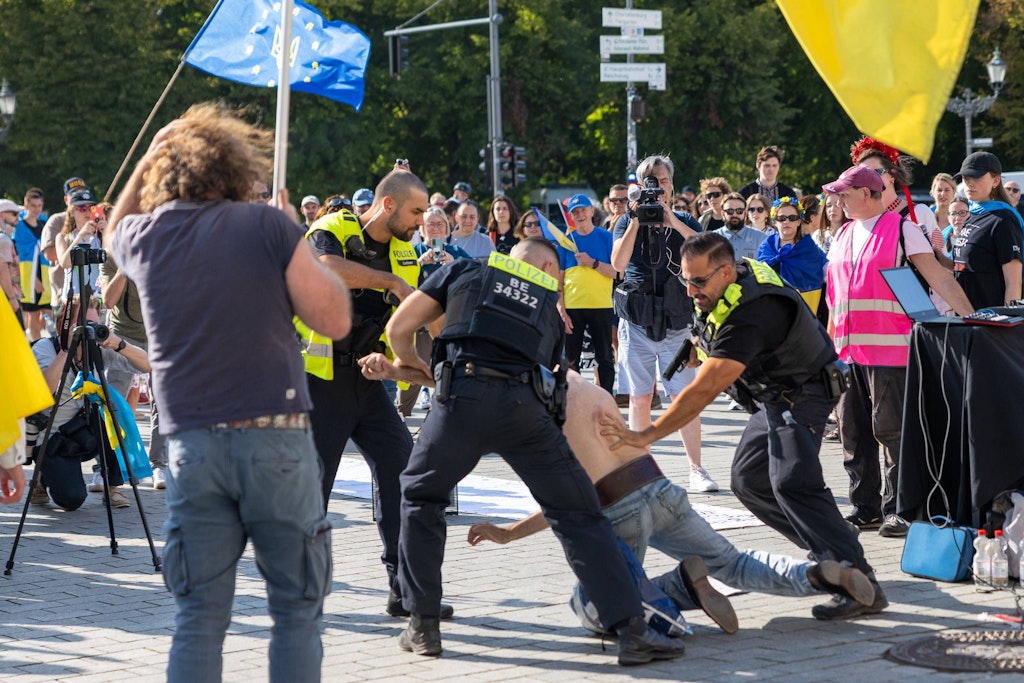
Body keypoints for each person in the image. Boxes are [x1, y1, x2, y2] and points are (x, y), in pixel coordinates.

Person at [106, 102, 352, 682]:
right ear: (238, 166)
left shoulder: (146, 237)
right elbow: (335, 319)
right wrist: (297, 237)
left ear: (170, 173)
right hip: (276, 439)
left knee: (198, 617)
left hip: (192, 447)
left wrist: (148, 156)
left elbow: (114, 230)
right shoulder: (266, 226)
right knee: (295, 611)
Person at [383, 238, 686, 665]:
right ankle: (632, 633)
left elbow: (398, 330)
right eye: (559, 275)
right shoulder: (546, 304)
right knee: (579, 515)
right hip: (527, 412)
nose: (559, 283)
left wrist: (419, 368)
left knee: (419, 496)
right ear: (546, 265)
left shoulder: (465, 270)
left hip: (461, 400)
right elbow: (556, 379)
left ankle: (423, 626)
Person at [602, 231, 886, 621]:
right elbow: (717, 334)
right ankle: (831, 541)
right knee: (748, 480)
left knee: (792, 481)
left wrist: (648, 434)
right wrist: (702, 347)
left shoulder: (754, 311)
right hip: (774, 393)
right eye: (684, 279)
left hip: (804, 390)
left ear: (724, 272)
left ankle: (861, 580)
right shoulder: (730, 283)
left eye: (698, 281)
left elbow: (703, 392)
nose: (690, 291)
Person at [465, 371, 875, 630]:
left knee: (589, 604)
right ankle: (819, 575)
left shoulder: (528, 409)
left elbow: (564, 500)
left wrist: (508, 535)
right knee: (733, 564)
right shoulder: (588, 386)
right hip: (660, 489)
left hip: (616, 508)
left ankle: (681, 589)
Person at [298, 170, 430, 616]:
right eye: (416, 211)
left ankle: (404, 589)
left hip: (369, 384)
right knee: (313, 490)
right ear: (388, 205)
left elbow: (408, 326)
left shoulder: (407, 253)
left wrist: (408, 367)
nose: (422, 220)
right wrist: (391, 283)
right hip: (319, 383)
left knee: (403, 472)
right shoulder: (333, 228)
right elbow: (325, 268)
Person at [824, 165, 973, 541]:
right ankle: (865, 507)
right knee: (852, 433)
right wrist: (826, 352)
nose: (838, 198)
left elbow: (938, 276)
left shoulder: (902, 229)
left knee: (892, 433)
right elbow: (834, 300)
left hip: (890, 351)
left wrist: (973, 319)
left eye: (845, 191)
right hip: (847, 354)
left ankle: (901, 509)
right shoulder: (842, 234)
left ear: (869, 194)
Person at [610, 154, 718, 493]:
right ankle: (640, 469)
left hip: (677, 322)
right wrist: (636, 221)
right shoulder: (624, 221)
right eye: (652, 182)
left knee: (683, 396)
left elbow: (705, 254)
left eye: (664, 181)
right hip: (638, 321)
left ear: (671, 185)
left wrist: (670, 220)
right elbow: (617, 264)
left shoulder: (684, 218)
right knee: (641, 398)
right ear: (641, 186)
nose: (659, 187)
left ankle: (696, 469)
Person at [28, 296, 151, 511]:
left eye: (94, 324)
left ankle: (112, 487)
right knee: (72, 500)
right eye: (84, 325)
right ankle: (41, 476)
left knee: (113, 412)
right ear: (64, 326)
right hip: (52, 436)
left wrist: (119, 344)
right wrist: (66, 350)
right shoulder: (45, 348)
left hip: (82, 429)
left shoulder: (98, 350)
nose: (89, 332)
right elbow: (45, 391)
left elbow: (148, 365)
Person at [395, 207, 471, 417]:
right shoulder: (414, 251)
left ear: (447, 228)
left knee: (447, 368)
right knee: (413, 368)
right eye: (430, 224)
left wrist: (455, 265)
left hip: (449, 321)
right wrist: (418, 265)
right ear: (422, 228)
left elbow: (475, 277)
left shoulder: (456, 253)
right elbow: (400, 282)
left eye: (440, 224)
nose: (435, 228)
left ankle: (444, 415)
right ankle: (402, 414)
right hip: (419, 322)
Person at [557, 194, 616, 393]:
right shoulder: (566, 241)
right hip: (573, 307)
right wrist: (561, 308)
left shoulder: (606, 237)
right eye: (575, 212)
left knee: (605, 357)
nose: (580, 215)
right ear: (571, 216)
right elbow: (559, 279)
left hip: (601, 305)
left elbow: (617, 273)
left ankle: (607, 399)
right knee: (571, 359)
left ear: (592, 211)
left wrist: (592, 263)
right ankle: (574, 400)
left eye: (583, 210)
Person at [950, 151, 1024, 308]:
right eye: (965, 177)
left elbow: (1014, 282)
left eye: (976, 177)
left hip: (991, 323)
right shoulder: (972, 214)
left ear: (996, 180)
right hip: (968, 318)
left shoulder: (1003, 219)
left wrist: (1007, 325)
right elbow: (965, 265)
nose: (969, 183)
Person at [756, 196, 826, 312]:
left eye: (792, 218)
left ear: (799, 221)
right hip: (772, 307)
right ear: (774, 221)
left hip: (804, 308)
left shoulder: (809, 248)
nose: (787, 221)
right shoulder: (766, 246)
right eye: (782, 218)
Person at [13, 187, 49, 340]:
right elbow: (18, 256)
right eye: (33, 206)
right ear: (26, 206)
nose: (37, 209)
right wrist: (33, 280)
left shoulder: (44, 223)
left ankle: (40, 337)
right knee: (33, 315)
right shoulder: (19, 227)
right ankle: (37, 346)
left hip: (46, 272)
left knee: (48, 313)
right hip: (29, 275)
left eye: (39, 206)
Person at [715, 192, 766, 261]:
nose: (735, 215)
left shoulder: (761, 238)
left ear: (745, 213)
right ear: (723, 213)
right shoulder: (713, 239)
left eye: (739, 211)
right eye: (730, 211)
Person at [0, 199, 22, 324]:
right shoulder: (3, 239)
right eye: (14, 214)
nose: (17, 218)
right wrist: (12, 298)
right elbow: (3, 270)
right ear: (1, 215)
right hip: (6, 298)